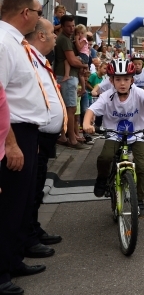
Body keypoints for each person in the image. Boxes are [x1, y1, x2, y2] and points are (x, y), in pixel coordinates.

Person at [0, 0, 50, 295]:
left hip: (27, 131)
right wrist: (10, 143)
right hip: (13, 133)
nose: (40, 18)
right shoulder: (4, 43)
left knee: (20, 204)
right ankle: (1, 271)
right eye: (39, 12)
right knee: (9, 206)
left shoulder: (16, 42)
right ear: (25, 13)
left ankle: (13, 258)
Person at [83, 59, 144, 217]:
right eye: (118, 79)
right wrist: (87, 123)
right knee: (105, 157)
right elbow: (91, 110)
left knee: (142, 168)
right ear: (111, 80)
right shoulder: (107, 96)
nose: (122, 83)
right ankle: (102, 178)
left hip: (137, 135)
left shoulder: (139, 93)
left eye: (126, 79)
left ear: (132, 80)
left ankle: (139, 200)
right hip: (114, 134)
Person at [23, 19, 66, 254]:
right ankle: (26, 238)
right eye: (51, 33)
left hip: (44, 136)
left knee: (37, 186)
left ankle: (32, 228)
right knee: (30, 189)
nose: (55, 37)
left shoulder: (40, 60)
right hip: (35, 135)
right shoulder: (28, 58)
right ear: (40, 36)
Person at [53, 15, 88, 149]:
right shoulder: (65, 40)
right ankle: (72, 139)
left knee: (67, 107)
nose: (72, 28)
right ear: (62, 26)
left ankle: (63, 136)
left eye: (73, 25)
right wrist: (84, 66)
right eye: (69, 26)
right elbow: (72, 60)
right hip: (67, 77)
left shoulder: (67, 39)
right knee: (71, 108)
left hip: (66, 75)